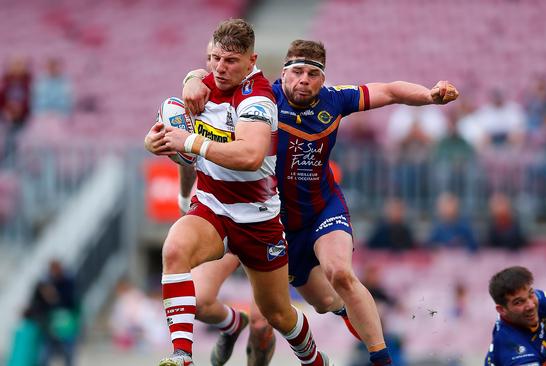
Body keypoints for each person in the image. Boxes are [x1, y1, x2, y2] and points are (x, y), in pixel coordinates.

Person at [183, 39, 459, 365]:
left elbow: (389, 90)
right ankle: (238, 325)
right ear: (283, 74)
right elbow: (214, 73)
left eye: (313, 74)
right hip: (262, 218)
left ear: (323, 79)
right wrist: (191, 78)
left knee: (340, 274)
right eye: (297, 71)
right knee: (267, 317)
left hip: (320, 210)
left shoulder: (335, 100)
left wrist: (429, 95)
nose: (304, 80)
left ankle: (382, 359)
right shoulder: (260, 99)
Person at [144, 20, 330, 366]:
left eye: (230, 61)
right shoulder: (200, 86)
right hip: (213, 208)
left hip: (257, 219)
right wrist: (153, 141)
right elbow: (177, 143)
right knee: (174, 250)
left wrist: (190, 141)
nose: (219, 67)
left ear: (251, 60)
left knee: (277, 316)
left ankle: (316, 360)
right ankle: (182, 355)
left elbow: (249, 156)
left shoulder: (257, 97)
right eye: (214, 58)